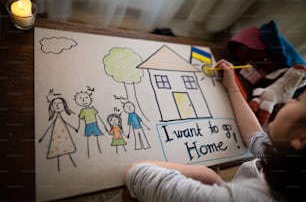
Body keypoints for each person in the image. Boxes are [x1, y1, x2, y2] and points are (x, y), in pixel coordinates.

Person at [124, 59, 306, 202]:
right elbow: (254, 135)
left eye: (298, 101)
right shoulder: (288, 161)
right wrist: (232, 86)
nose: (289, 101)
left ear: (302, 138)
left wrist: (203, 173)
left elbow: (137, 173)